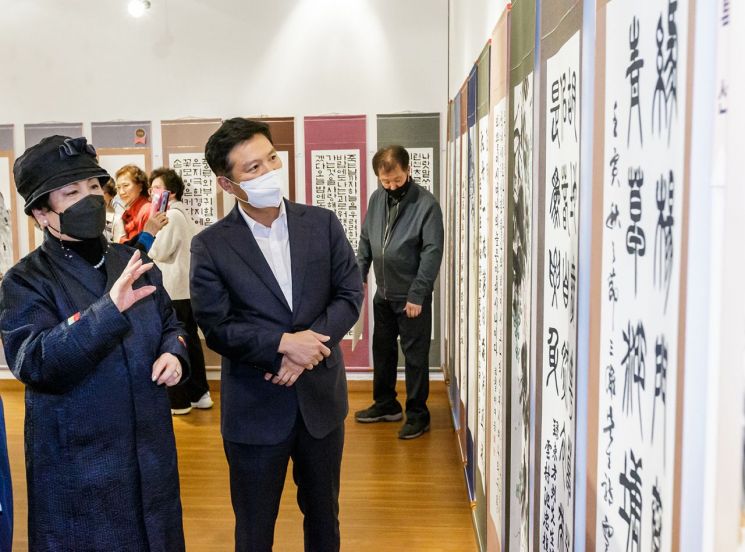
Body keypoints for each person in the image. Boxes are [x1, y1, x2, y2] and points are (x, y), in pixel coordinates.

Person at [0, 136, 188, 551]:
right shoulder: (25, 280)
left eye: (92, 187)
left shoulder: (133, 260)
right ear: (42, 214)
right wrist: (107, 310)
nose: (90, 198)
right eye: (71, 192)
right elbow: (33, 362)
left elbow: (171, 324)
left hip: (150, 452)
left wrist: (173, 353)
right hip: (79, 466)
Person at [191, 118, 363, 552]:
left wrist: (308, 346)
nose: (269, 170)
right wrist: (283, 345)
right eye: (252, 168)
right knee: (254, 528)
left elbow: (349, 294)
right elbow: (216, 326)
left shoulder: (321, 223)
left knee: (325, 518)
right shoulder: (211, 245)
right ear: (227, 185)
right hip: (254, 410)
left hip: (321, 405)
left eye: (271, 157)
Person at [355, 145, 444, 440]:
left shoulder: (426, 205)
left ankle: (418, 415)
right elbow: (366, 238)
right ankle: (385, 404)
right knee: (382, 351)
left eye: (396, 180)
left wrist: (418, 294)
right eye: (385, 182)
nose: (391, 187)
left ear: (407, 170)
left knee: (415, 357)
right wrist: (360, 276)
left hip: (411, 297)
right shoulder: (377, 199)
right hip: (385, 293)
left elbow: (432, 252)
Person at [148, 167, 212, 415]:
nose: (152, 192)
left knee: (176, 343)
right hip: (185, 290)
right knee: (191, 343)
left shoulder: (171, 216)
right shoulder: (182, 215)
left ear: (170, 192)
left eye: (156, 188)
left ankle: (180, 400)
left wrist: (148, 237)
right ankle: (199, 394)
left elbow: (160, 251)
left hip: (173, 290)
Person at [115, 164, 152, 242]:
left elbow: (146, 246)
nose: (121, 192)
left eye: (126, 185)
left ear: (140, 187)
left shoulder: (146, 210)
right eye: (118, 187)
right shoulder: (129, 210)